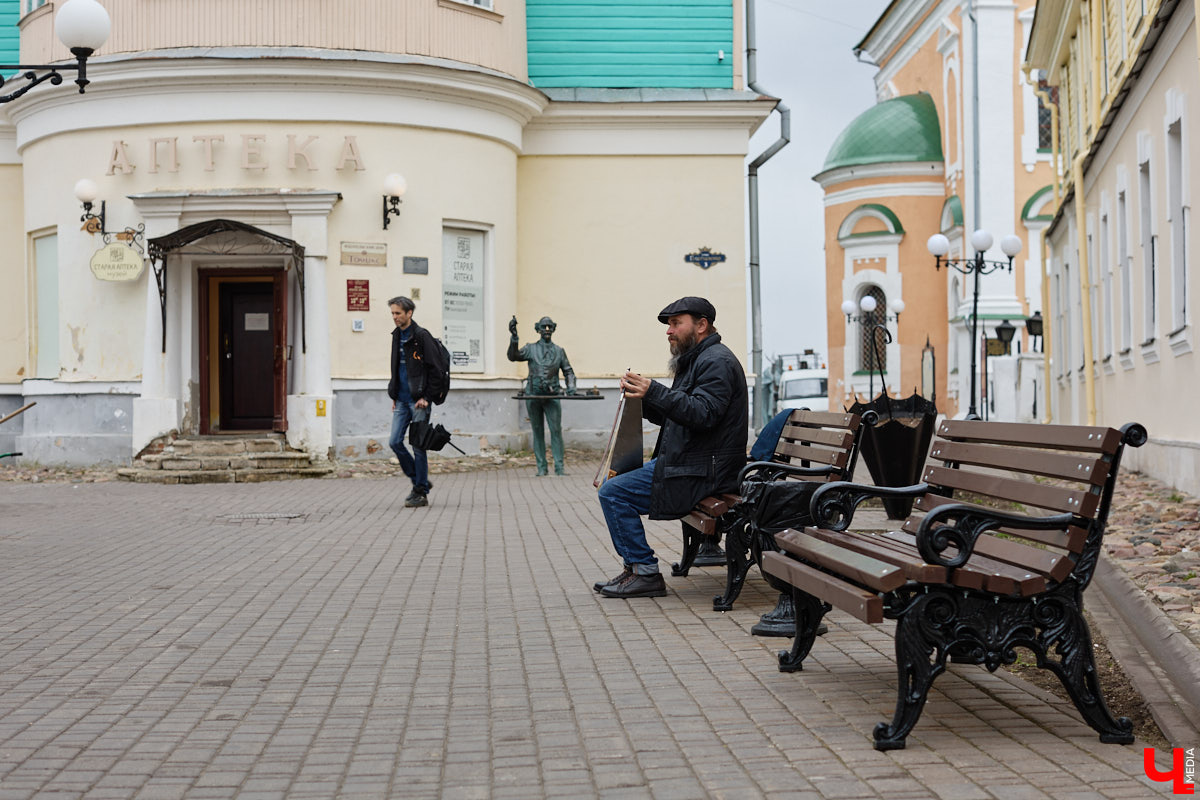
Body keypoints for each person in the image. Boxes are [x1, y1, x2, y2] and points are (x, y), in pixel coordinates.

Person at [594, 297, 748, 598]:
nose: (669, 331)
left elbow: (704, 414)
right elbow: (679, 414)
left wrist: (655, 391)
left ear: (701, 325)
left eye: (676, 323)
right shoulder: (698, 359)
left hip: (705, 471)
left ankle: (644, 571)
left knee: (614, 493)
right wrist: (644, 397)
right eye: (668, 325)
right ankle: (635, 569)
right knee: (615, 488)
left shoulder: (716, 361)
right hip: (692, 464)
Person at [387, 296, 447, 508]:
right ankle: (419, 481)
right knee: (394, 441)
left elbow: (436, 370)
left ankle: (420, 492)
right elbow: (397, 368)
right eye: (393, 313)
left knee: (418, 446)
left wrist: (427, 397)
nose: (394, 317)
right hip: (402, 401)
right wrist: (394, 394)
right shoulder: (396, 336)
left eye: (398, 313)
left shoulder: (422, 336)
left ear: (409, 313)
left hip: (419, 401)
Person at [507, 315, 577, 476]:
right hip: (533, 395)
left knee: (556, 431)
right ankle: (541, 468)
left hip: (552, 396)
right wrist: (514, 337)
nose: (547, 330)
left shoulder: (559, 351)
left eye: (549, 327)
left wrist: (571, 386)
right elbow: (513, 356)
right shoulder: (530, 348)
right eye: (544, 327)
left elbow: (568, 371)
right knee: (537, 431)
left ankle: (559, 468)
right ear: (537, 329)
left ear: (553, 329)